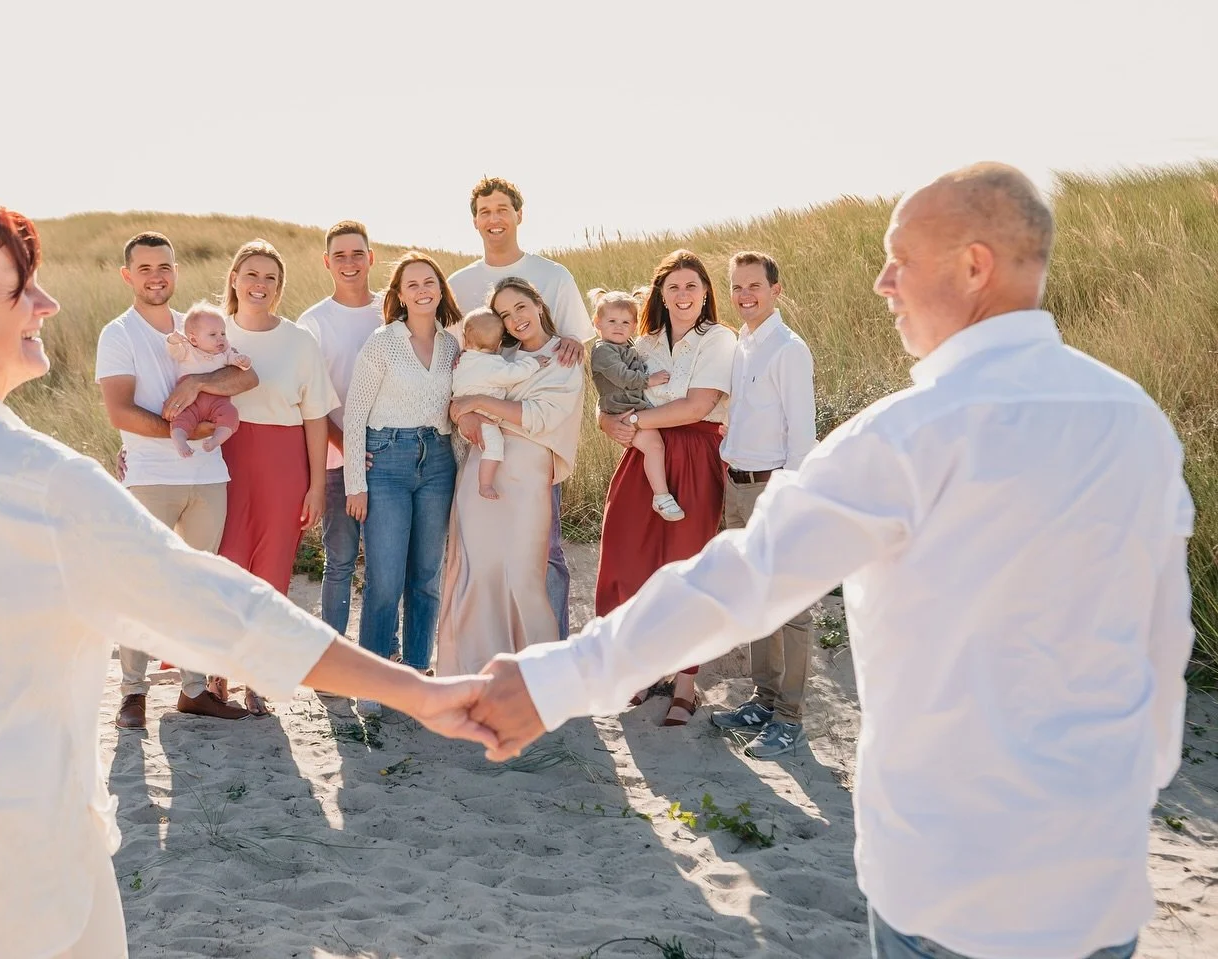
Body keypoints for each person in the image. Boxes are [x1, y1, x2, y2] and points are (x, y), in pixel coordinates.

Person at [470, 163, 1194, 959]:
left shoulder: (911, 433)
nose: (882, 282)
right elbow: (1165, 640)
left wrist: (553, 679)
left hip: (950, 891)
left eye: (900, 257)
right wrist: (1127, 789)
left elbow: (740, 580)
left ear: (975, 265)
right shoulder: (1138, 421)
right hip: (1101, 889)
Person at [0, 173, 498, 959]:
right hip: (15, 897)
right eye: (19, 288)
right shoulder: (38, 482)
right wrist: (419, 690)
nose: (47, 304)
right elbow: (223, 612)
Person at [95, 232, 249, 725]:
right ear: (127, 276)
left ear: (175, 271)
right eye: (144, 269)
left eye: (164, 266)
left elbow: (246, 377)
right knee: (142, 584)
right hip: (149, 477)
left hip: (208, 478)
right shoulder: (118, 333)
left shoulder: (200, 325)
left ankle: (194, 689)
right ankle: (133, 693)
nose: (155, 276)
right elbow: (120, 412)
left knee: (198, 585)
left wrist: (197, 381)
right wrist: (191, 428)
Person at [593, 251, 737, 726]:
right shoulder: (644, 341)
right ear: (660, 293)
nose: (682, 295)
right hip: (646, 454)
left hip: (695, 455)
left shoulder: (719, 339)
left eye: (691, 286)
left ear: (705, 293)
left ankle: (685, 682)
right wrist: (605, 419)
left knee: (684, 562)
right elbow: (612, 395)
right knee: (626, 554)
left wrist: (632, 419)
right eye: (672, 287)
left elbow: (698, 406)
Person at [446, 176, 589, 641]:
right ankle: (493, 650)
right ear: (474, 221)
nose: (494, 218)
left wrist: (572, 347)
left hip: (534, 445)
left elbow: (573, 345)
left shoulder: (554, 275)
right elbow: (454, 361)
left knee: (542, 552)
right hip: (480, 443)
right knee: (481, 552)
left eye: (502, 208)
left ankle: (554, 655)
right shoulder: (461, 284)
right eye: (485, 211)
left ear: (519, 214)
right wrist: (462, 412)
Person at [207, 239, 339, 717]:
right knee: (227, 563)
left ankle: (258, 677)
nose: (259, 285)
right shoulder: (209, 331)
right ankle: (215, 672)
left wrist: (318, 484)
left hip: (284, 462)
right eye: (252, 275)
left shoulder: (300, 340)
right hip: (222, 459)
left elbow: (315, 418)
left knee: (272, 568)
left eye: (270, 278)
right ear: (235, 280)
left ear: (279, 288)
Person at [437, 277, 585, 675]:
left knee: (523, 574)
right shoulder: (497, 358)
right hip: (480, 469)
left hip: (526, 477)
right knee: (474, 566)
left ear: (538, 303)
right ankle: (469, 670)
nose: (515, 318)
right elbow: (455, 403)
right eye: (504, 314)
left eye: (520, 306)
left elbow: (542, 418)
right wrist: (464, 410)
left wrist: (479, 403)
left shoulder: (565, 356)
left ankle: (536, 674)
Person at [341, 252, 463, 716]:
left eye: (428, 281)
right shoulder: (383, 342)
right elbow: (355, 414)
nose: (421, 290)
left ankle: (415, 673)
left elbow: (459, 411)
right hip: (386, 462)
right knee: (385, 578)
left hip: (438, 463)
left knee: (427, 576)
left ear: (439, 288)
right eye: (411, 284)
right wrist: (357, 482)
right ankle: (373, 679)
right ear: (398, 295)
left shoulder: (454, 346)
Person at [708, 251, 818, 759]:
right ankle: (764, 699)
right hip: (736, 485)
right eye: (737, 287)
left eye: (754, 285)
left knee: (791, 607)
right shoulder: (742, 345)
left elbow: (802, 434)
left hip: (773, 487)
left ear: (777, 289)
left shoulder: (788, 349)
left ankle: (790, 719)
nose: (745, 295)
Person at [296, 221, 384, 636]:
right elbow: (311, 400)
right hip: (335, 458)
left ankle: (386, 652)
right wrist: (347, 448)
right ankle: (330, 654)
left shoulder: (392, 309)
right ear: (327, 262)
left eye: (357, 254)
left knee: (387, 563)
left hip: (388, 456)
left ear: (371, 258)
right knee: (341, 560)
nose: (349, 263)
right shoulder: (312, 322)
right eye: (340, 256)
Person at [586, 287, 682, 520]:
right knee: (654, 447)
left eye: (626, 322)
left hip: (633, 404)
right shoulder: (603, 351)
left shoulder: (627, 345)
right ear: (597, 323)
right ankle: (661, 496)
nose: (619, 326)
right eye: (611, 321)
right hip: (622, 407)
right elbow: (621, 376)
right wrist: (649, 380)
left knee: (656, 447)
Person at [452, 307, 550, 500]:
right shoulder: (494, 366)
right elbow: (515, 373)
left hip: (463, 419)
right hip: (483, 420)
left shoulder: (462, 361)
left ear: (465, 339)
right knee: (495, 446)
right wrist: (535, 363)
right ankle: (485, 484)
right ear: (498, 344)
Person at [164, 300, 250, 456]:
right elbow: (174, 352)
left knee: (231, 414)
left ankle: (215, 440)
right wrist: (173, 340)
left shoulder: (226, 352)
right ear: (194, 339)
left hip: (218, 399)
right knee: (180, 419)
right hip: (190, 400)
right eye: (213, 334)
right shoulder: (188, 350)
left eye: (223, 333)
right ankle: (180, 442)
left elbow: (236, 362)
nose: (220, 338)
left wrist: (242, 361)